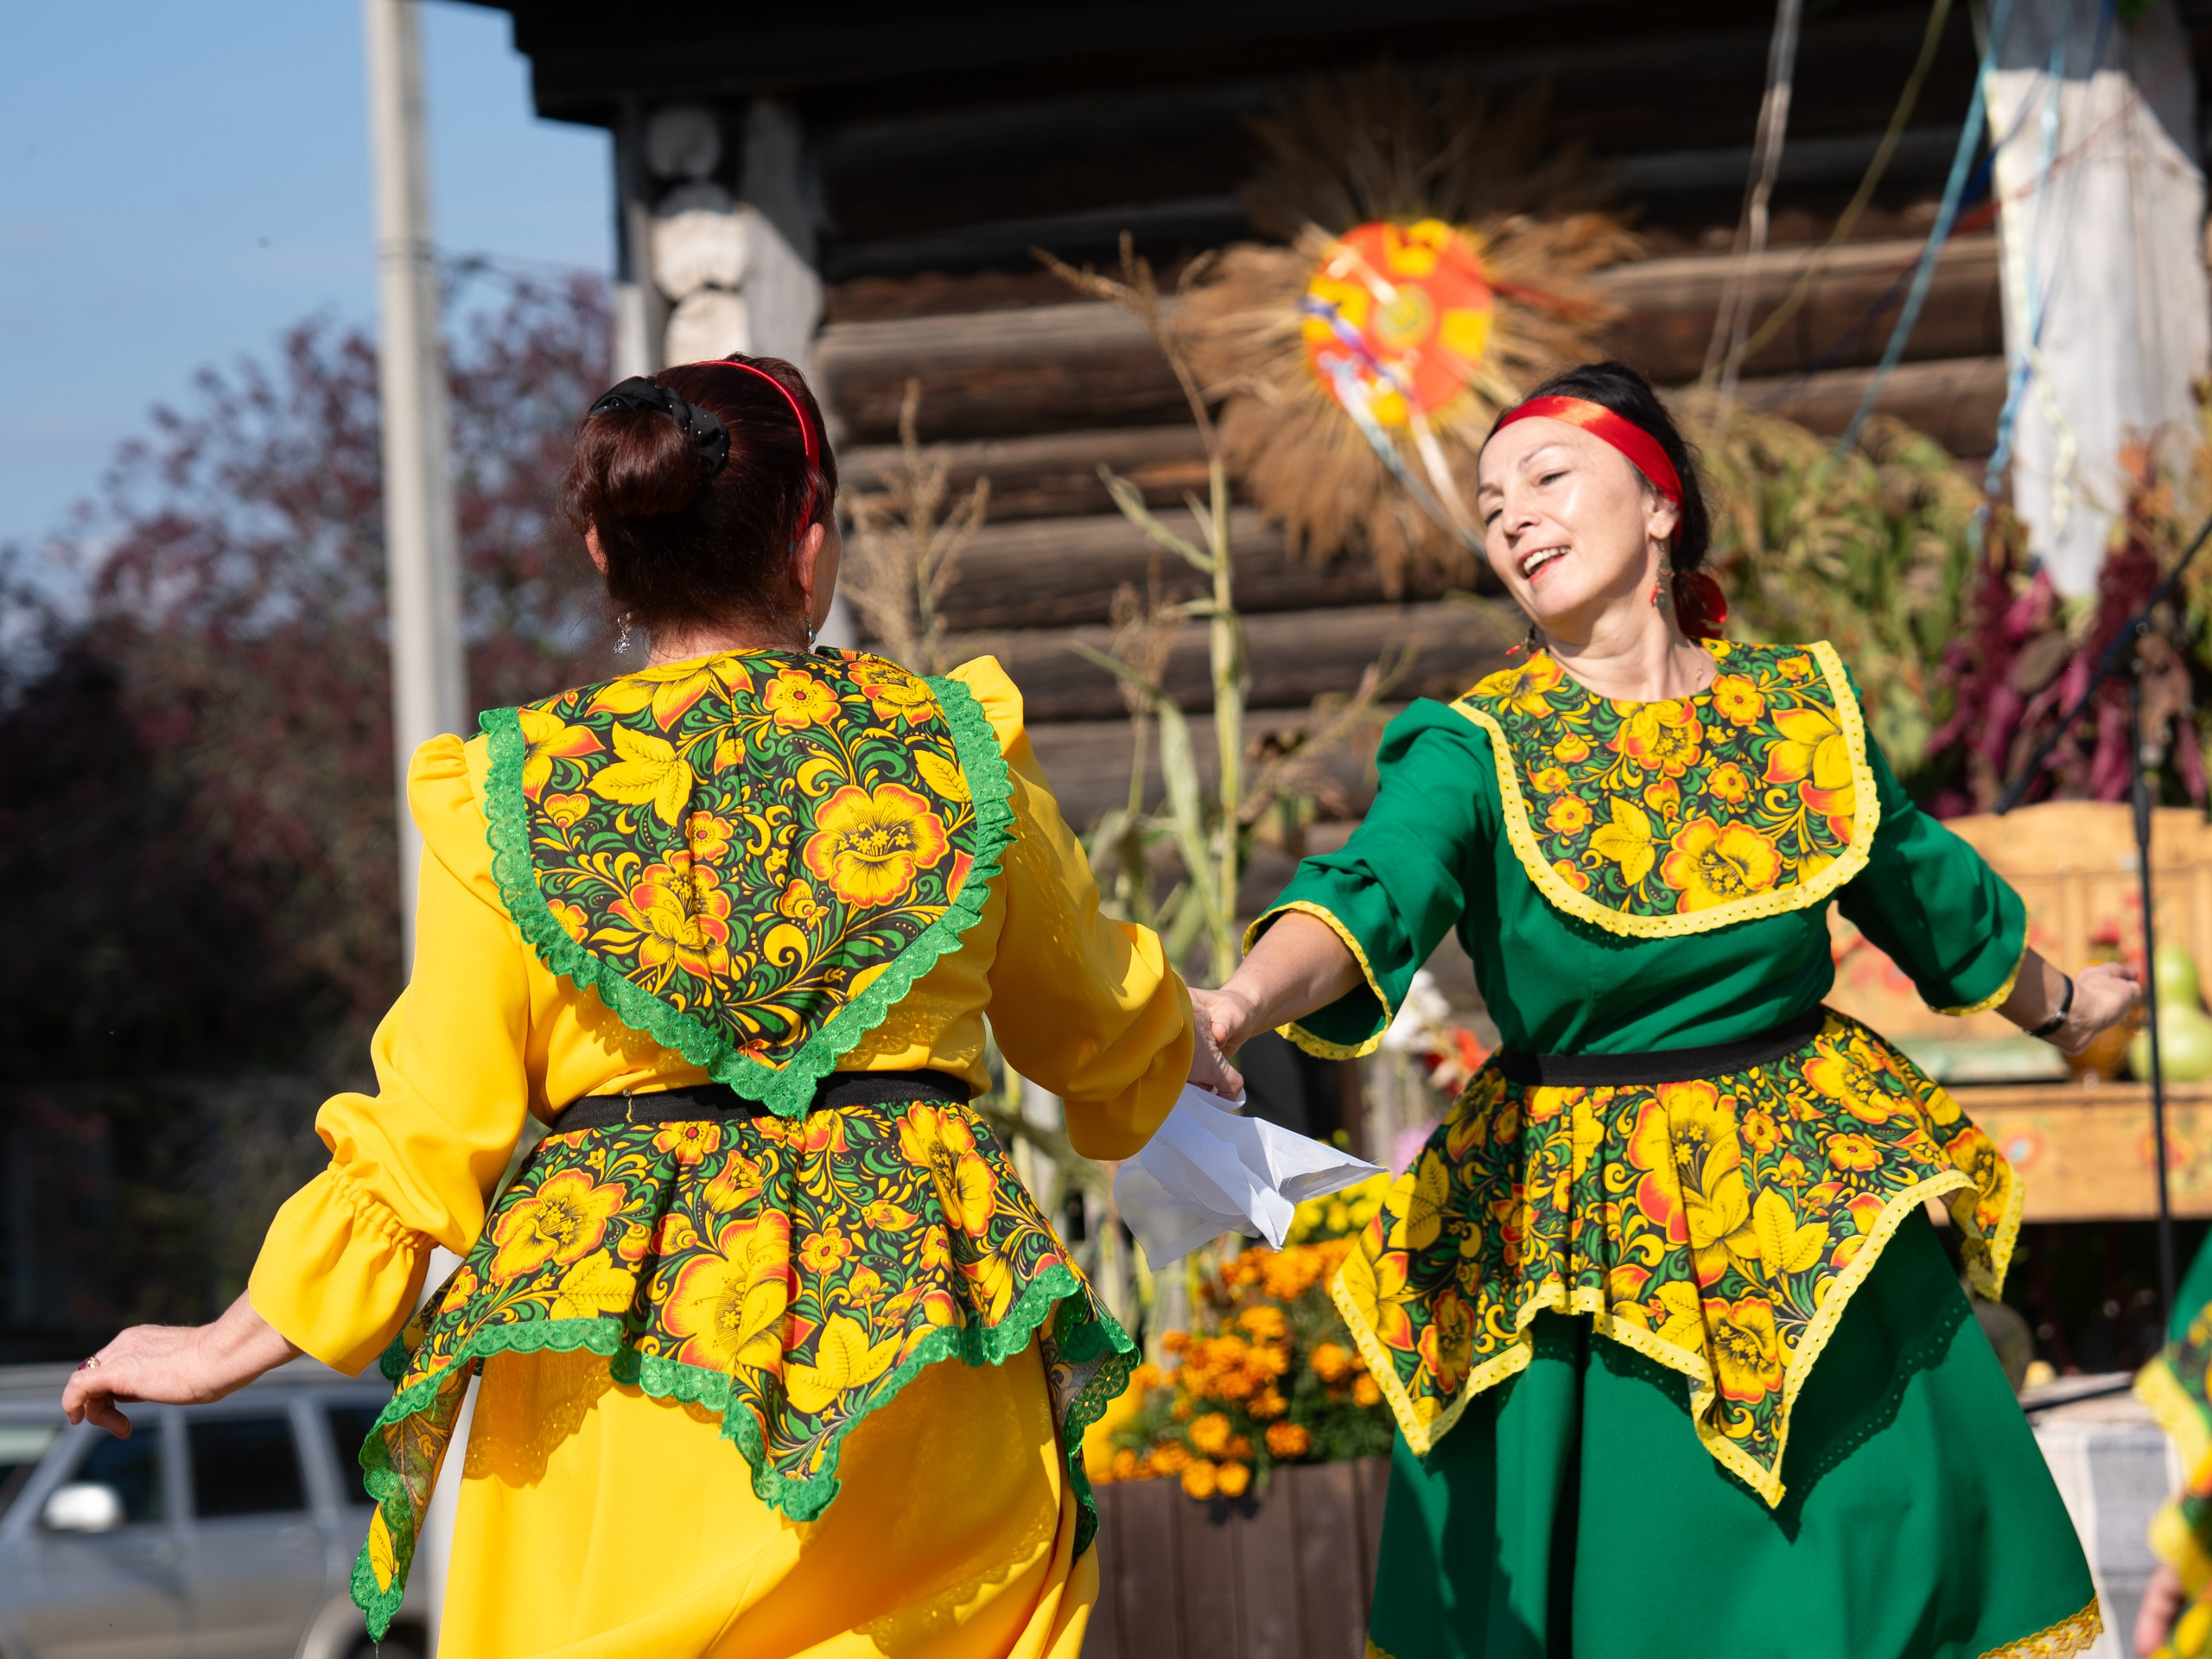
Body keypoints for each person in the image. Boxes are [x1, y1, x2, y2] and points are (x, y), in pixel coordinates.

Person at [62, 355, 1194, 1658]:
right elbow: (1098, 1032)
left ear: (605, 548)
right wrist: (1206, 1034)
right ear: (809, 536)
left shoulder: (513, 793)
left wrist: (228, 1340)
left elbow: (431, 1130)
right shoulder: (955, 745)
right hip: (914, 1346)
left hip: (619, 1361)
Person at [1183, 361, 2139, 1659]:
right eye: (1489, 499)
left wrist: (2069, 1005)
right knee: (1653, 1598)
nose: (1510, 514)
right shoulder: (1476, 745)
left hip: (1810, 1203)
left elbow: (1927, 894)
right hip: (1587, 1236)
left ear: (1658, 505)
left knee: (1869, 1571)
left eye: (1547, 477)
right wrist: (1236, 1001)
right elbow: (1375, 889)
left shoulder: (1796, 715)